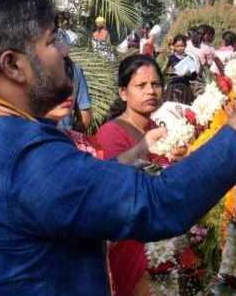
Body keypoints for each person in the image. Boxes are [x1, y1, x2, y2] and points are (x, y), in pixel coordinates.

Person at [0, 0, 236, 295]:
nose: (65, 51)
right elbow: (161, 203)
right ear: (13, 65)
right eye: (52, 40)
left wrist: (131, 158)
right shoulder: (23, 155)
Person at [96, 54, 168, 296]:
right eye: (141, 85)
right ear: (123, 92)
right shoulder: (111, 133)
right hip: (133, 241)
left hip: (161, 238)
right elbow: (114, 186)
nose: (151, 91)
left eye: (156, 84)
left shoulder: (157, 127)